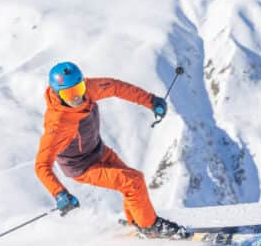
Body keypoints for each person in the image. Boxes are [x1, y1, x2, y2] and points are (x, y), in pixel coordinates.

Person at [35, 61, 189, 239]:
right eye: (69, 93)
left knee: (132, 180)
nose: (77, 97)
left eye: (78, 89)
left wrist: (150, 101)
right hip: (82, 167)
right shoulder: (58, 123)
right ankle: (150, 227)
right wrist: (59, 193)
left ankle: (138, 221)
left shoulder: (88, 91)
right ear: (57, 93)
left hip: (98, 150)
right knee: (133, 181)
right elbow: (41, 165)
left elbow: (116, 87)